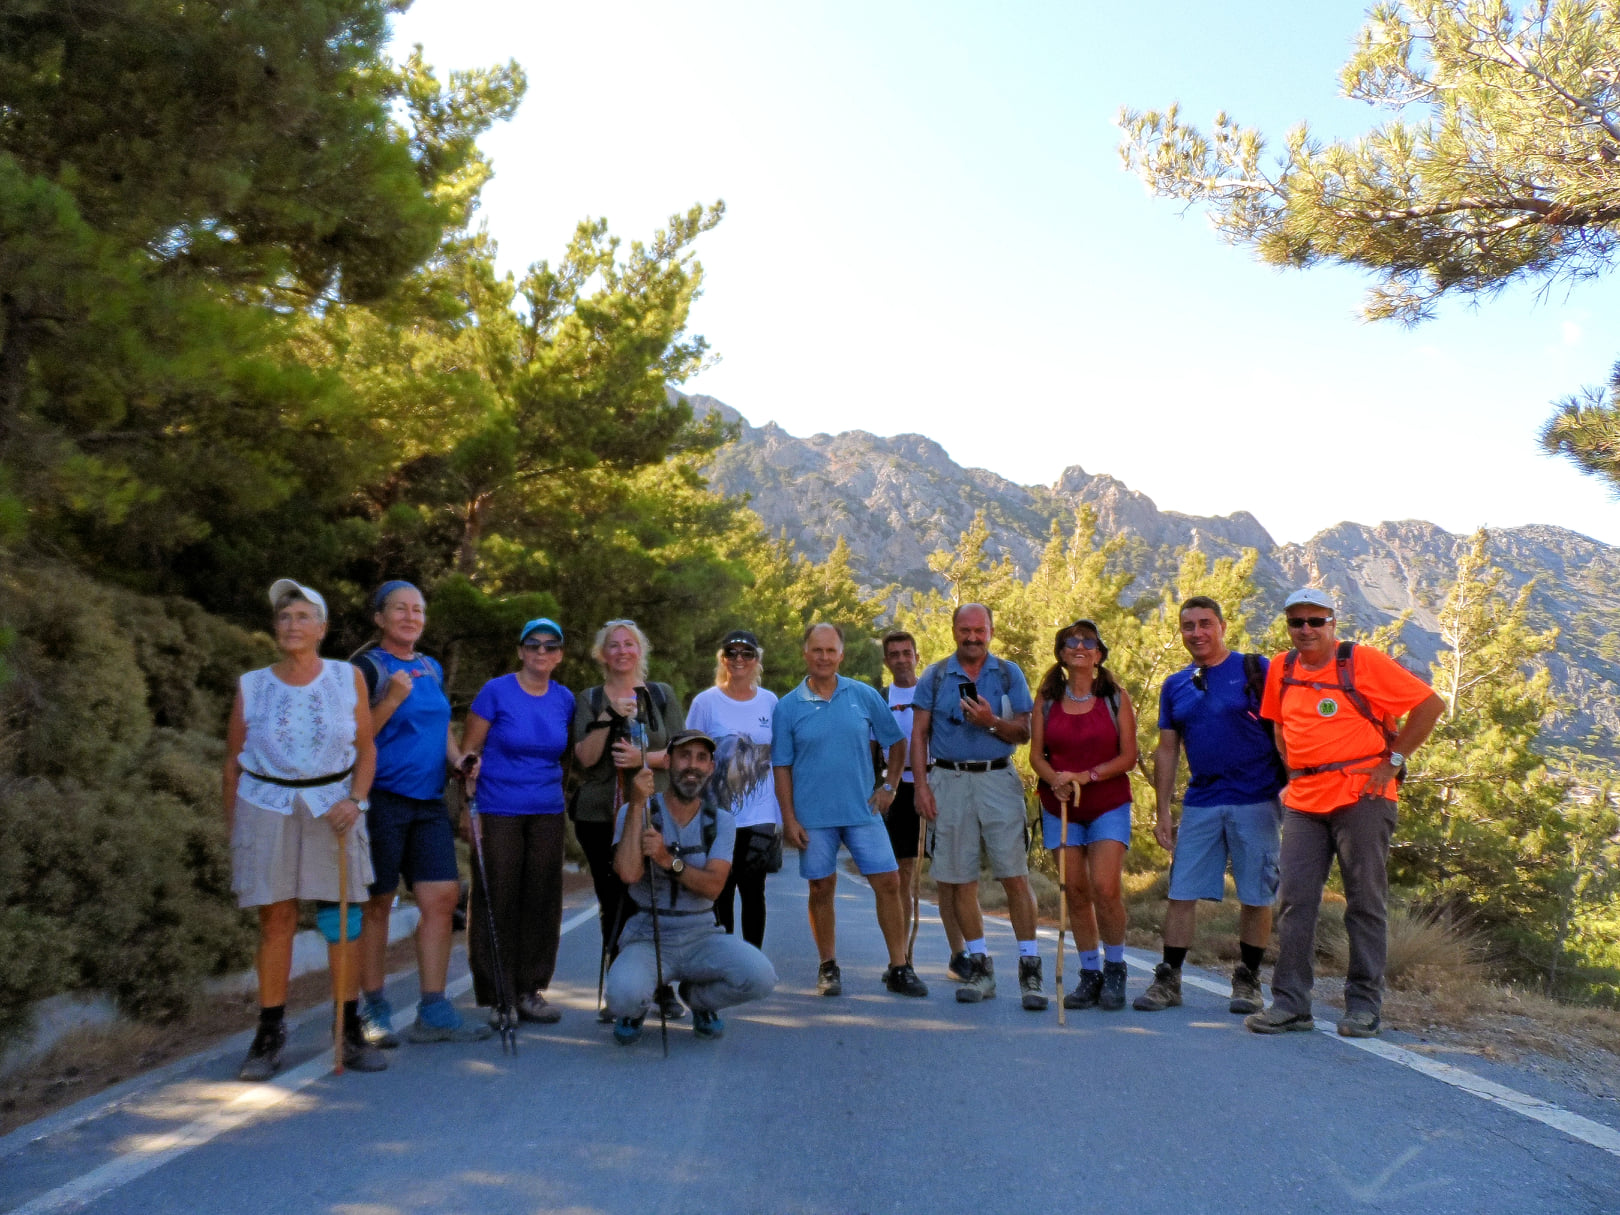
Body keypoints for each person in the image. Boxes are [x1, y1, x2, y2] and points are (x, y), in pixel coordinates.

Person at [1246, 588, 1445, 1039]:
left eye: (1316, 621)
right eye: (1297, 622)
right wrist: (1295, 771)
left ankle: (1363, 1008)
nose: (1306, 630)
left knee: (1364, 902)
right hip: (1303, 800)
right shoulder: (1281, 667)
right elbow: (1280, 724)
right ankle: (1291, 1005)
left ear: (1333, 623)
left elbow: (1430, 706)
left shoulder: (1361, 661)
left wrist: (1392, 762)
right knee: (1295, 902)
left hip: (1363, 795)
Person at [224, 579, 383, 1080]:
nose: (291, 625)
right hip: (265, 804)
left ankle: (349, 1026)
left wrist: (356, 800)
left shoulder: (346, 677)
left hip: (333, 805)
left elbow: (367, 748)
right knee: (276, 921)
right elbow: (233, 760)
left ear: (323, 627)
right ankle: (269, 1031)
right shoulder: (253, 684)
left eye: (302, 616)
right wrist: (236, 831)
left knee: (341, 920)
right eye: (284, 617)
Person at [350, 581, 490, 1047]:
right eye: (400, 609)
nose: (411, 617)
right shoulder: (365, 667)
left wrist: (458, 761)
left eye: (418, 610)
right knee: (377, 905)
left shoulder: (429, 666)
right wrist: (389, 699)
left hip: (429, 803)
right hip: (381, 800)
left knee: (442, 899)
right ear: (380, 617)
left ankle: (433, 1007)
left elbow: (440, 728)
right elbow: (353, 736)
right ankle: (373, 1008)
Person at [1136, 596, 1285, 1015]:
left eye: (1205, 624)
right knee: (1182, 891)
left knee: (1256, 894)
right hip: (1201, 801)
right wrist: (1163, 809)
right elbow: (1167, 750)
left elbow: (1286, 729)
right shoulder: (1175, 684)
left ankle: (1248, 979)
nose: (1197, 633)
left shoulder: (1256, 670)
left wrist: (1296, 784)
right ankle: (1169, 979)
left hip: (1257, 799)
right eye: (1188, 626)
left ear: (1222, 626)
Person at [772, 623, 928, 999]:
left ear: (841, 655)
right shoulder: (787, 707)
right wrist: (789, 818)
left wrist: (889, 786)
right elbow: (781, 767)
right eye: (817, 650)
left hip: (862, 811)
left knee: (889, 883)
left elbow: (897, 741)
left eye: (831, 651)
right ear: (806, 654)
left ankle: (899, 966)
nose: (824, 657)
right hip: (814, 816)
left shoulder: (862, 694)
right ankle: (828, 966)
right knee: (821, 888)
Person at [605, 731, 778, 1045]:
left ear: (711, 768)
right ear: (667, 762)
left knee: (761, 977)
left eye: (701, 758)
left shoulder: (721, 821)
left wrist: (665, 858)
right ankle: (637, 1006)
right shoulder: (636, 812)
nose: (692, 766)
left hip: (701, 933)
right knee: (621, 997)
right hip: (649, 933)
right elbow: (628, 873)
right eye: (684, 756)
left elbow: (713, 887)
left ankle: (698, 1000)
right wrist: (636, 804)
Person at [911, 604, 1041, 1008]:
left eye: (979, 630)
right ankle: (980, 966)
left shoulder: (1007, 674)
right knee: (959, 879)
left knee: (1014, 876)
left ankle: (1029, 969)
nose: (972, 637)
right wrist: (921, 788)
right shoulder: (934, 676)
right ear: (953, 631)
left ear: (991, 631)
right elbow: (918, 735)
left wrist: (989, 721)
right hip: (947, 781)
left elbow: (1024, 731)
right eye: (965, 630)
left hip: (998, 779)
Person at [461, 617, 575, 1025]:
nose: (541, 652)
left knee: (542, 900)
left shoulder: (564, 699)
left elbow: (565, 756)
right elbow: (468, 753)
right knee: (498, 898)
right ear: (521, 650)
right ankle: (499, 996)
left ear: (559, 655)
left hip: (546, 809)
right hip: (497, 808)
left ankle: (529, 990)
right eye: (533, 644)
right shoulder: (496, 691)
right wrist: (466, 797)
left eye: (550, 645)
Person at [570, 619, 686, 1020]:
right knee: (614, 900)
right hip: (600, 815)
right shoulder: (587, 698)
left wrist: (643, 759)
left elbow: (680, 753)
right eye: (613, 645)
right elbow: (584, 758)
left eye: (629, 644)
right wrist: (606, 716)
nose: (621, 651)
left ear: (641, 651)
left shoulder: (661, 695)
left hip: (654, 811)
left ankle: (662, 986)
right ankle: (620, 986)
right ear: (602, 654)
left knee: (656, 897)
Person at [1028, 619, 1138, 1012]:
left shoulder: (1115, 698)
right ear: (1060, 653)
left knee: (1105, 888)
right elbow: (1035, 756)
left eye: (1088, 641)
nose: (1080, 647)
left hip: (1107, 803)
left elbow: (1129, 756)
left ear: (1099, 653)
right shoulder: (1046, 700)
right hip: (1060, 807)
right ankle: (1089, 973)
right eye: (1072, 642)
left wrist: (1086, 776)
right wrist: (1055, 778)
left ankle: (1115, 968)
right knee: (1074, 891)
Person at [876, 630, 968, 977]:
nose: (901, 659)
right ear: (887, 661)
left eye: (906, 652)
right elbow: (873, 749)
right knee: (900, 877)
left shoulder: (935, 690)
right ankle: (901, 959)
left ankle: (959, 954)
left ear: (916, 655)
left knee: (949, 874)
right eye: (894, 654)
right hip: (898, 790)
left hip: (938, 785)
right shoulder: (880, 698)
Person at [685, 629, 781, 948]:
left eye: (747, 653)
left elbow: (781, 759)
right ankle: (722, 962)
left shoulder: (770, 702)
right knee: (719, 889)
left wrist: (783, 816)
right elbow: (688, 757)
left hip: (760, 816)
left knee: (754, 890)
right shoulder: (706, 702)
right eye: (732, 653)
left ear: (757, 660)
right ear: (722, 659)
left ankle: (752, 966)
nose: (739, 659)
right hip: (717, 814)